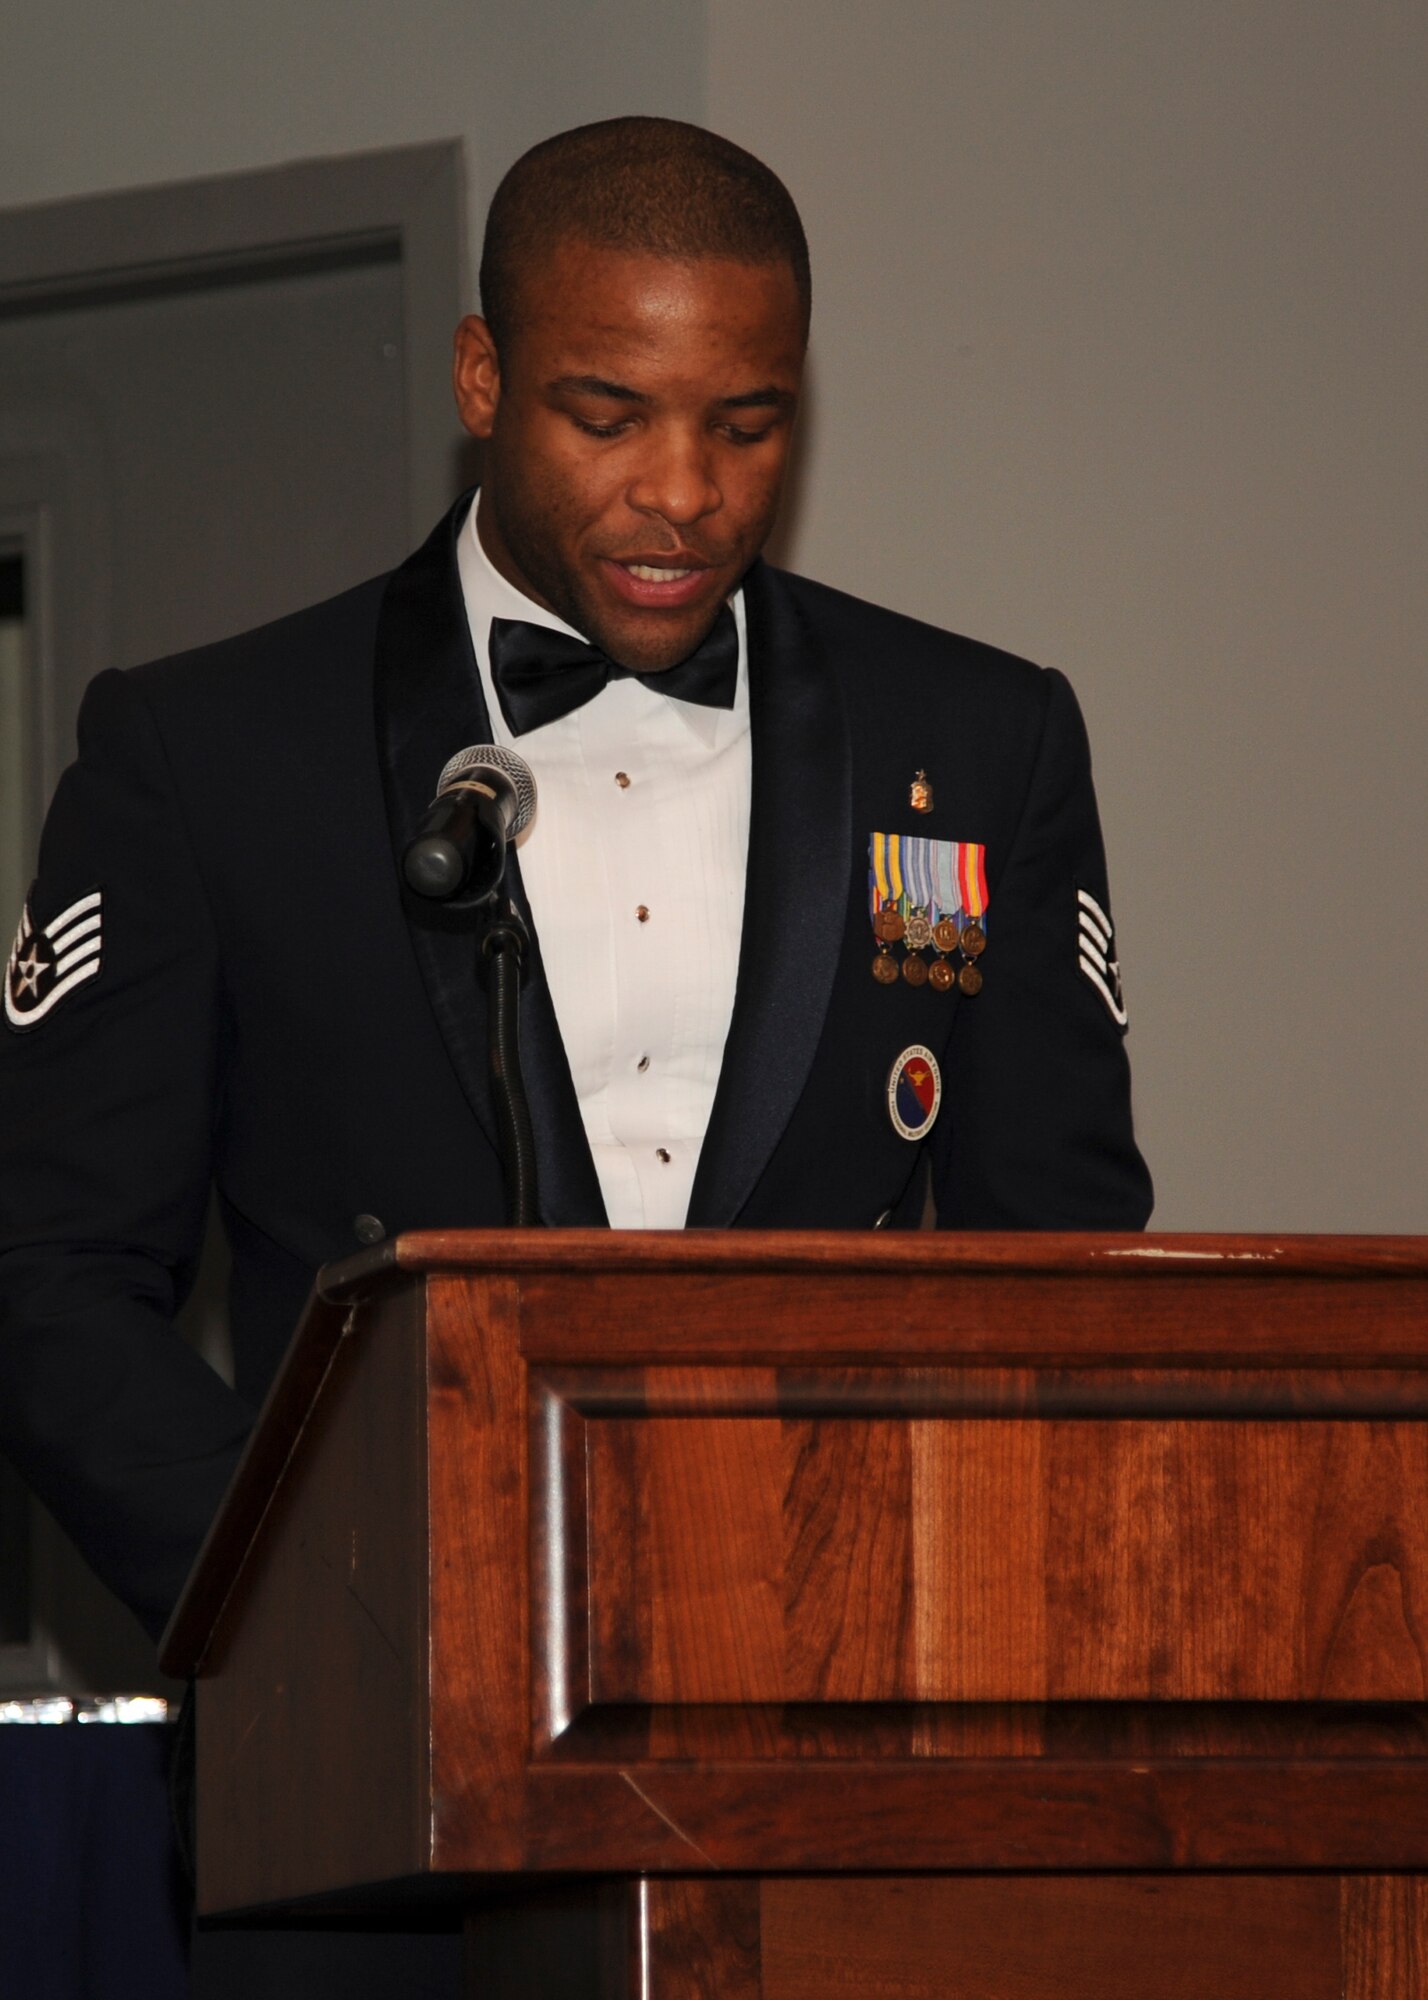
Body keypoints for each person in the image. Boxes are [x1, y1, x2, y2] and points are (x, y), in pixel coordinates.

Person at [0, 117, 1152, 1992]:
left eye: (748, 422)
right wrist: (312, 1605)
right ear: (483, 381)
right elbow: (46, 1275)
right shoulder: (207, 758)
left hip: (837, 1794)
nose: (683, 492)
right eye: (607, 415)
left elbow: (1064, 1276)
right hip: (364, 1825)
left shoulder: (987, 738)